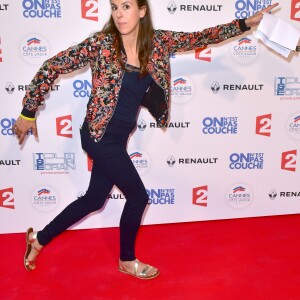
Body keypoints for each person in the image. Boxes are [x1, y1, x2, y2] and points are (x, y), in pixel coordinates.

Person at [13, 0, 279, 279]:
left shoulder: (158, 42)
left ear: (141, 11)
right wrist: (28, 112)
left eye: (126, 6)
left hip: (117, 138)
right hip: (97, 135)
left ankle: (38, 239)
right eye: (114, 7)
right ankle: (126, 260)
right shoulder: (101, 44)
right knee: (139, 197)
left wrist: (243, 24)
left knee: (93, 199)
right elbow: (51, 66)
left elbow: (200, 37)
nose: (119, 13)